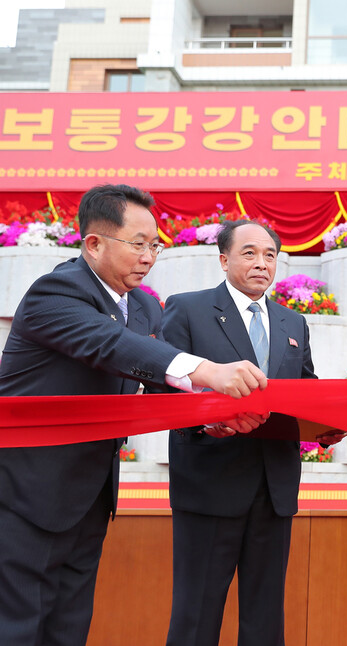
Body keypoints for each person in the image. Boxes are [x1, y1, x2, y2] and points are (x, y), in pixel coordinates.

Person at [0, 184, 268, 646]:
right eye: (137, 244)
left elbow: (158, 373)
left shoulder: (142, 303)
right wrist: (207, 369)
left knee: (69, 622)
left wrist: (212, 415)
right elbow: (112, 346)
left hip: (89, 493)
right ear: (94, 244)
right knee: (19, 624)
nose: (149, 256)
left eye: (155, 245)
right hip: (27, 491)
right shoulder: (56, 292)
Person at [160, 220, 344, 646]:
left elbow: (305, 389)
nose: (261, 263)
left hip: (274, 489)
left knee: (265, 620)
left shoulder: (293, 322)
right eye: (249, 253)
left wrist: (327, 425)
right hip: (209, 486)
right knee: (196, 617)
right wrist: (210, 421)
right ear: (224, 260)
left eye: (270, 255)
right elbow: (162, 388)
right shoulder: (186, 309)